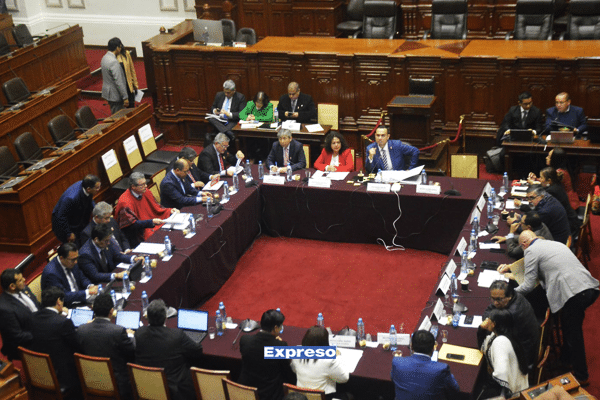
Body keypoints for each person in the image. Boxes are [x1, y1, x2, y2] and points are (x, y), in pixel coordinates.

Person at [499, 230, 600, 384]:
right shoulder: (553, 244)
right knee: (569, 327)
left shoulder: (531, 250)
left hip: (573, 294)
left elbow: (528, 285)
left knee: (574, 335)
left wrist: (509, 294)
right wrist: (512, 267)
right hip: (587, 288)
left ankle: (582, 376)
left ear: (524, 245)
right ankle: (566, 359)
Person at [134, 299, 203, 400]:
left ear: (147, 317)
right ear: (166, 317)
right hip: (174, 390)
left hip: (147, 387)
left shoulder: (139, 333)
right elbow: (198, 350)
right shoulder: (176, 335)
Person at [76, 293, 135, 399]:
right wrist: (130, 335)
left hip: (89, 382)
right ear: (111, 311)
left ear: (93, 309)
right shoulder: (118, 331)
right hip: (117, 385)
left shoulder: (81, 330)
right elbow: (132, 351)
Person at [477, 280, 540, 371]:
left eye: (498, 299)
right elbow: (489, 309)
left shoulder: (511, 314)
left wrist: (483, 327)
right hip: (527, 344)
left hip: (523, 358)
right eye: (493, 299)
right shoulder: (514, 296)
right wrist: (490, 318)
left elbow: (489, 331)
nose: (495, 303)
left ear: (509, 296)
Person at [30, 286, 82, 395]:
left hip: (39, 369)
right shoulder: (63, 322)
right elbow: (77, 345)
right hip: (63, 373)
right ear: (58, 301)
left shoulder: (32, 317)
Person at [239, 309, 293, 400]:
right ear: (275, 328)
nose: (281, 328)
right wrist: (278, 344)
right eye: (281, 326)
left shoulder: (245, 340)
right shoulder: (280, 347)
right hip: (269, 395)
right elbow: (287, 371)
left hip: (246, 392)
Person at [391, 330, 459, 400]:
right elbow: (455, 389)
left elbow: (393, 379)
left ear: (411, 346)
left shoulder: (397, 362)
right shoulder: (441, 369)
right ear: (433, 349)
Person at [114, 172, 177, 248]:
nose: (146, 186)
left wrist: (169, 210)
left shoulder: (145, 191)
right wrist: (151, 222)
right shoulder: (125, 202)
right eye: (142, 185)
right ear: (133, 186)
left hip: (152, 223)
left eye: (145, 183)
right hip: (138, 233)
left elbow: (156, 207)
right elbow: (131, 225)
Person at [479, 309, 530, 398]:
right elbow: (483, 347)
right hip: (516, 385)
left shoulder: (500, 342)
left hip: (512, 393)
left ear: (494, 324)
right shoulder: (504, 334)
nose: (486, 320)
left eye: (488, 319)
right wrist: (481, 329)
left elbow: (501, 374)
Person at [291, 326, 349, 399]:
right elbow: (344, 378)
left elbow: (294, 369)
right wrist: (338, 356)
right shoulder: (329, 360)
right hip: (323, 397)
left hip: (302, 397)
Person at [78, 223, 143, 284]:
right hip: (99, 284)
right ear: (96, 240)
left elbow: (118, 255)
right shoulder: (85, 254)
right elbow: (95, 275)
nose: (109, 243)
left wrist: (134, 258)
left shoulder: (106, 239)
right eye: (106, 241)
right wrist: (116, 275)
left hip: (111, 277)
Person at [41, 243, 99, 308]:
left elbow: (81, 277)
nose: (76, 262)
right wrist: (87, 292)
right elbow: (63, 296)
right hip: (67, 306)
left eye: (77, 258)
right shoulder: (52, 274)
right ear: (61, 258)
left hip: (80, 299)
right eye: (73, 259)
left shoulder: (71, 261)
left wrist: (90, 286)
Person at [0, 269, 40, 360]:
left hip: (39, 327)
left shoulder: (24, 289)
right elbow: (17, 336)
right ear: (12, 286)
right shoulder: (4, 309)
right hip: (27, 343)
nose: (24, 280)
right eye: (20, 280)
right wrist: (41, 333)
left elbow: (38, 306)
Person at [51, 174, 101, 244]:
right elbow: (61, 217)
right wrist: (68, 233)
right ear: (88, 189)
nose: (99, 189)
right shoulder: (71, 198)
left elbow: (89, 199)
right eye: (97, 188)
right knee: (74, 244)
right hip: (63, 225)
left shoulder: (86, 185)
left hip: (77, 219)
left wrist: (96, 210)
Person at [534, 167, 581, 235]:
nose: (539, 180)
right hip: (571, 219)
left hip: (568, 225)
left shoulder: (552, 191)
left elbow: (541, 208)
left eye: (541, 177)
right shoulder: (556, 185)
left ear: (549, 181)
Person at [101, 37, 129, 114]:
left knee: (114, 113)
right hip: (115, 94)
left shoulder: (104, 58)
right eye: (120, 47)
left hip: (109, 93)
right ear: (117, 48)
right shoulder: (114, 62)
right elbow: (119, 81)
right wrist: (125, 97)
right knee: (119, 116)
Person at [115, 40, 138, 109]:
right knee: (123, 108)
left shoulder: (126, 53)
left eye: (119, 46)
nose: (119, 48)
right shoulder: (112, 58)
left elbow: (132, 69)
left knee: (131, 106)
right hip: (120, 86)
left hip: (129, 85)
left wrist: (135, 84)